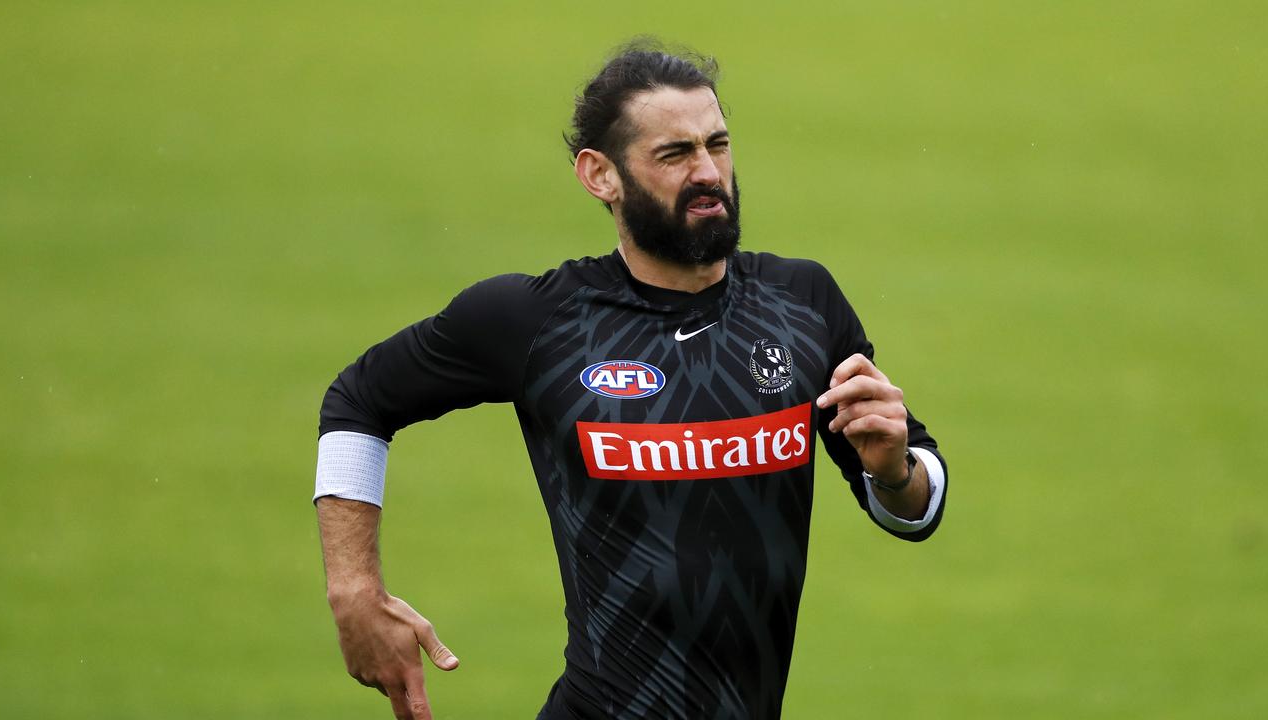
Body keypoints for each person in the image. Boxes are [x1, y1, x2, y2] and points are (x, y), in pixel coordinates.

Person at [314, 40, 948, 720]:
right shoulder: (536, 322)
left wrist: (891, 470)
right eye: (674, 155)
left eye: (718, 144)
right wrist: (354, 593)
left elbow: (917, 508)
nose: (709, 172)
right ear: (600, 175)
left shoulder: (804, 303)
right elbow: (359, 400)